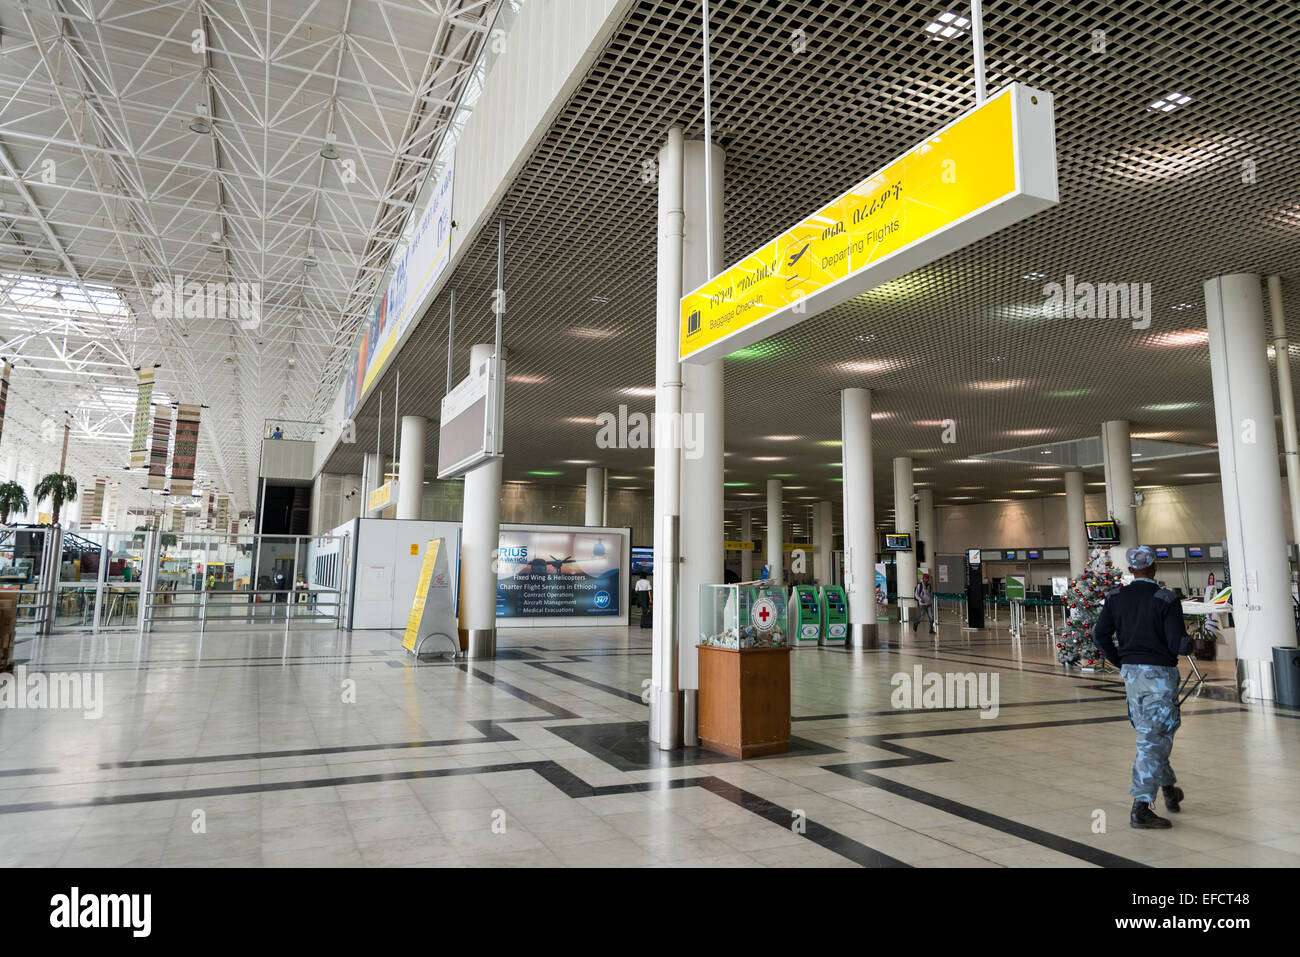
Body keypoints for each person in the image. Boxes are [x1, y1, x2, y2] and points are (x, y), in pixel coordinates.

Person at [1091, 545, 1192, 830]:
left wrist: (1121, 661)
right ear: (1155, 567)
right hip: (1159, 676)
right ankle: (1141, 808)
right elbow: (1176, 643)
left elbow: (1100, 636)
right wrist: (1191, 644)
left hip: (1132, 676)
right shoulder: (1166, 598)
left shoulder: (1116, 597)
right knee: (1153, 739)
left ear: (1131, 569)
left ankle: (1169, 789)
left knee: (1153, 735)